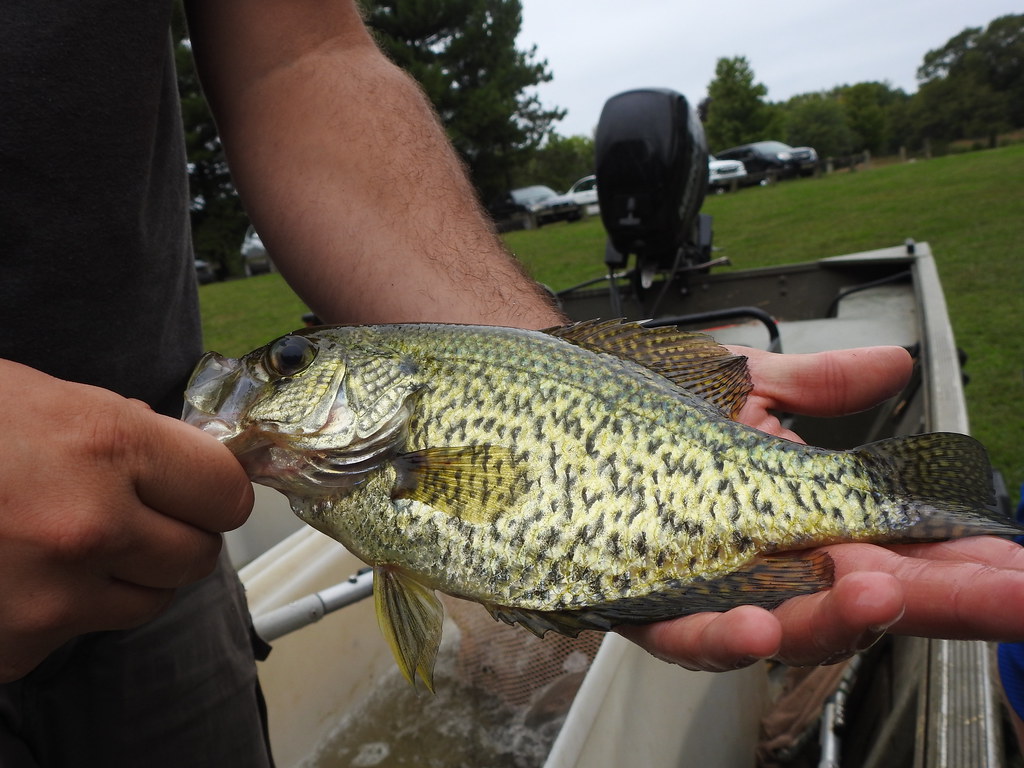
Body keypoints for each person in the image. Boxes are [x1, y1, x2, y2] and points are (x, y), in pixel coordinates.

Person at [3, 0, 1024, 764]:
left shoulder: (343, 472)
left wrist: (540, 350)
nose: (264, 379)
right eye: (283, 366)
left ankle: (885, 493)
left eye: (290, 366)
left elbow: (302, 59)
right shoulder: (363, 468)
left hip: (159, 582)